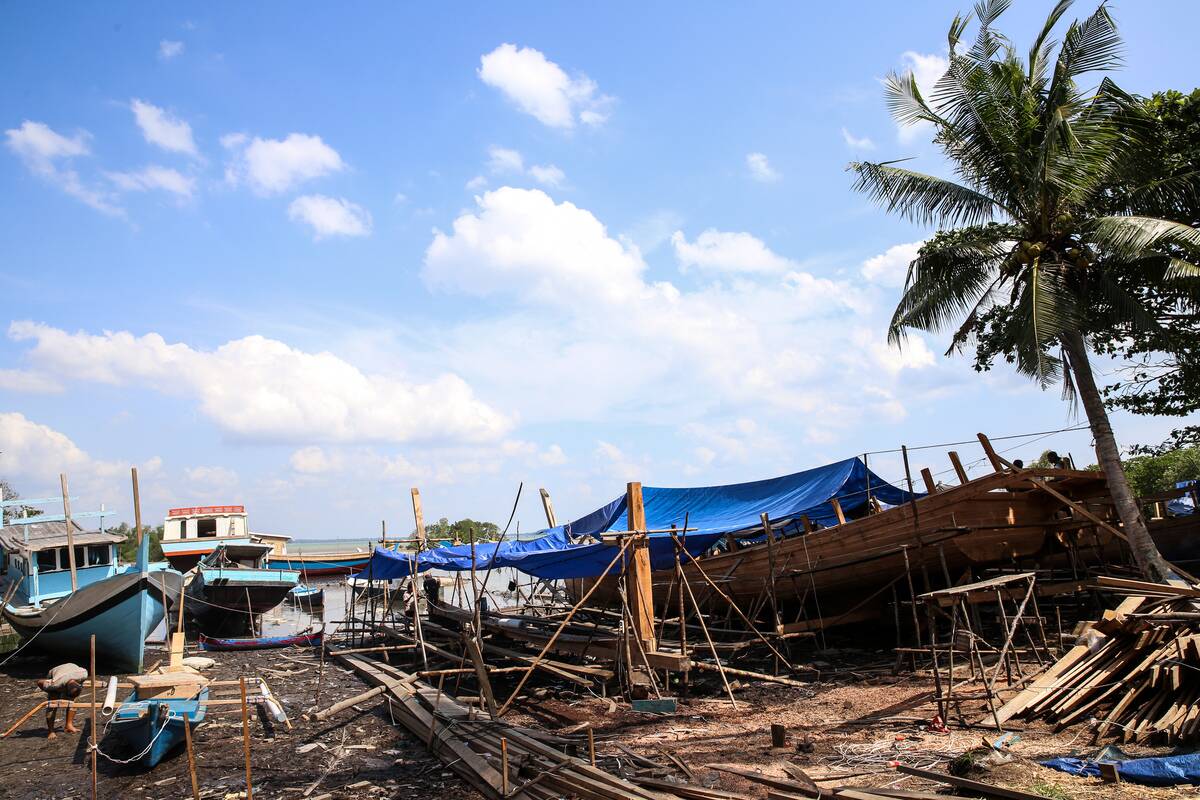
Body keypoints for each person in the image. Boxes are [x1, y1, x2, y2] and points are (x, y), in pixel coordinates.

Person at [37, 663, 87, 739]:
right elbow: (39, 682)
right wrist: (51, 691)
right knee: (52, 704)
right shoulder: (54, 684)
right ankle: (51, 731)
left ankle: (69, 725)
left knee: (73, 702)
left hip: (71, 668)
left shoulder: (84, 674)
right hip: (56, 673)